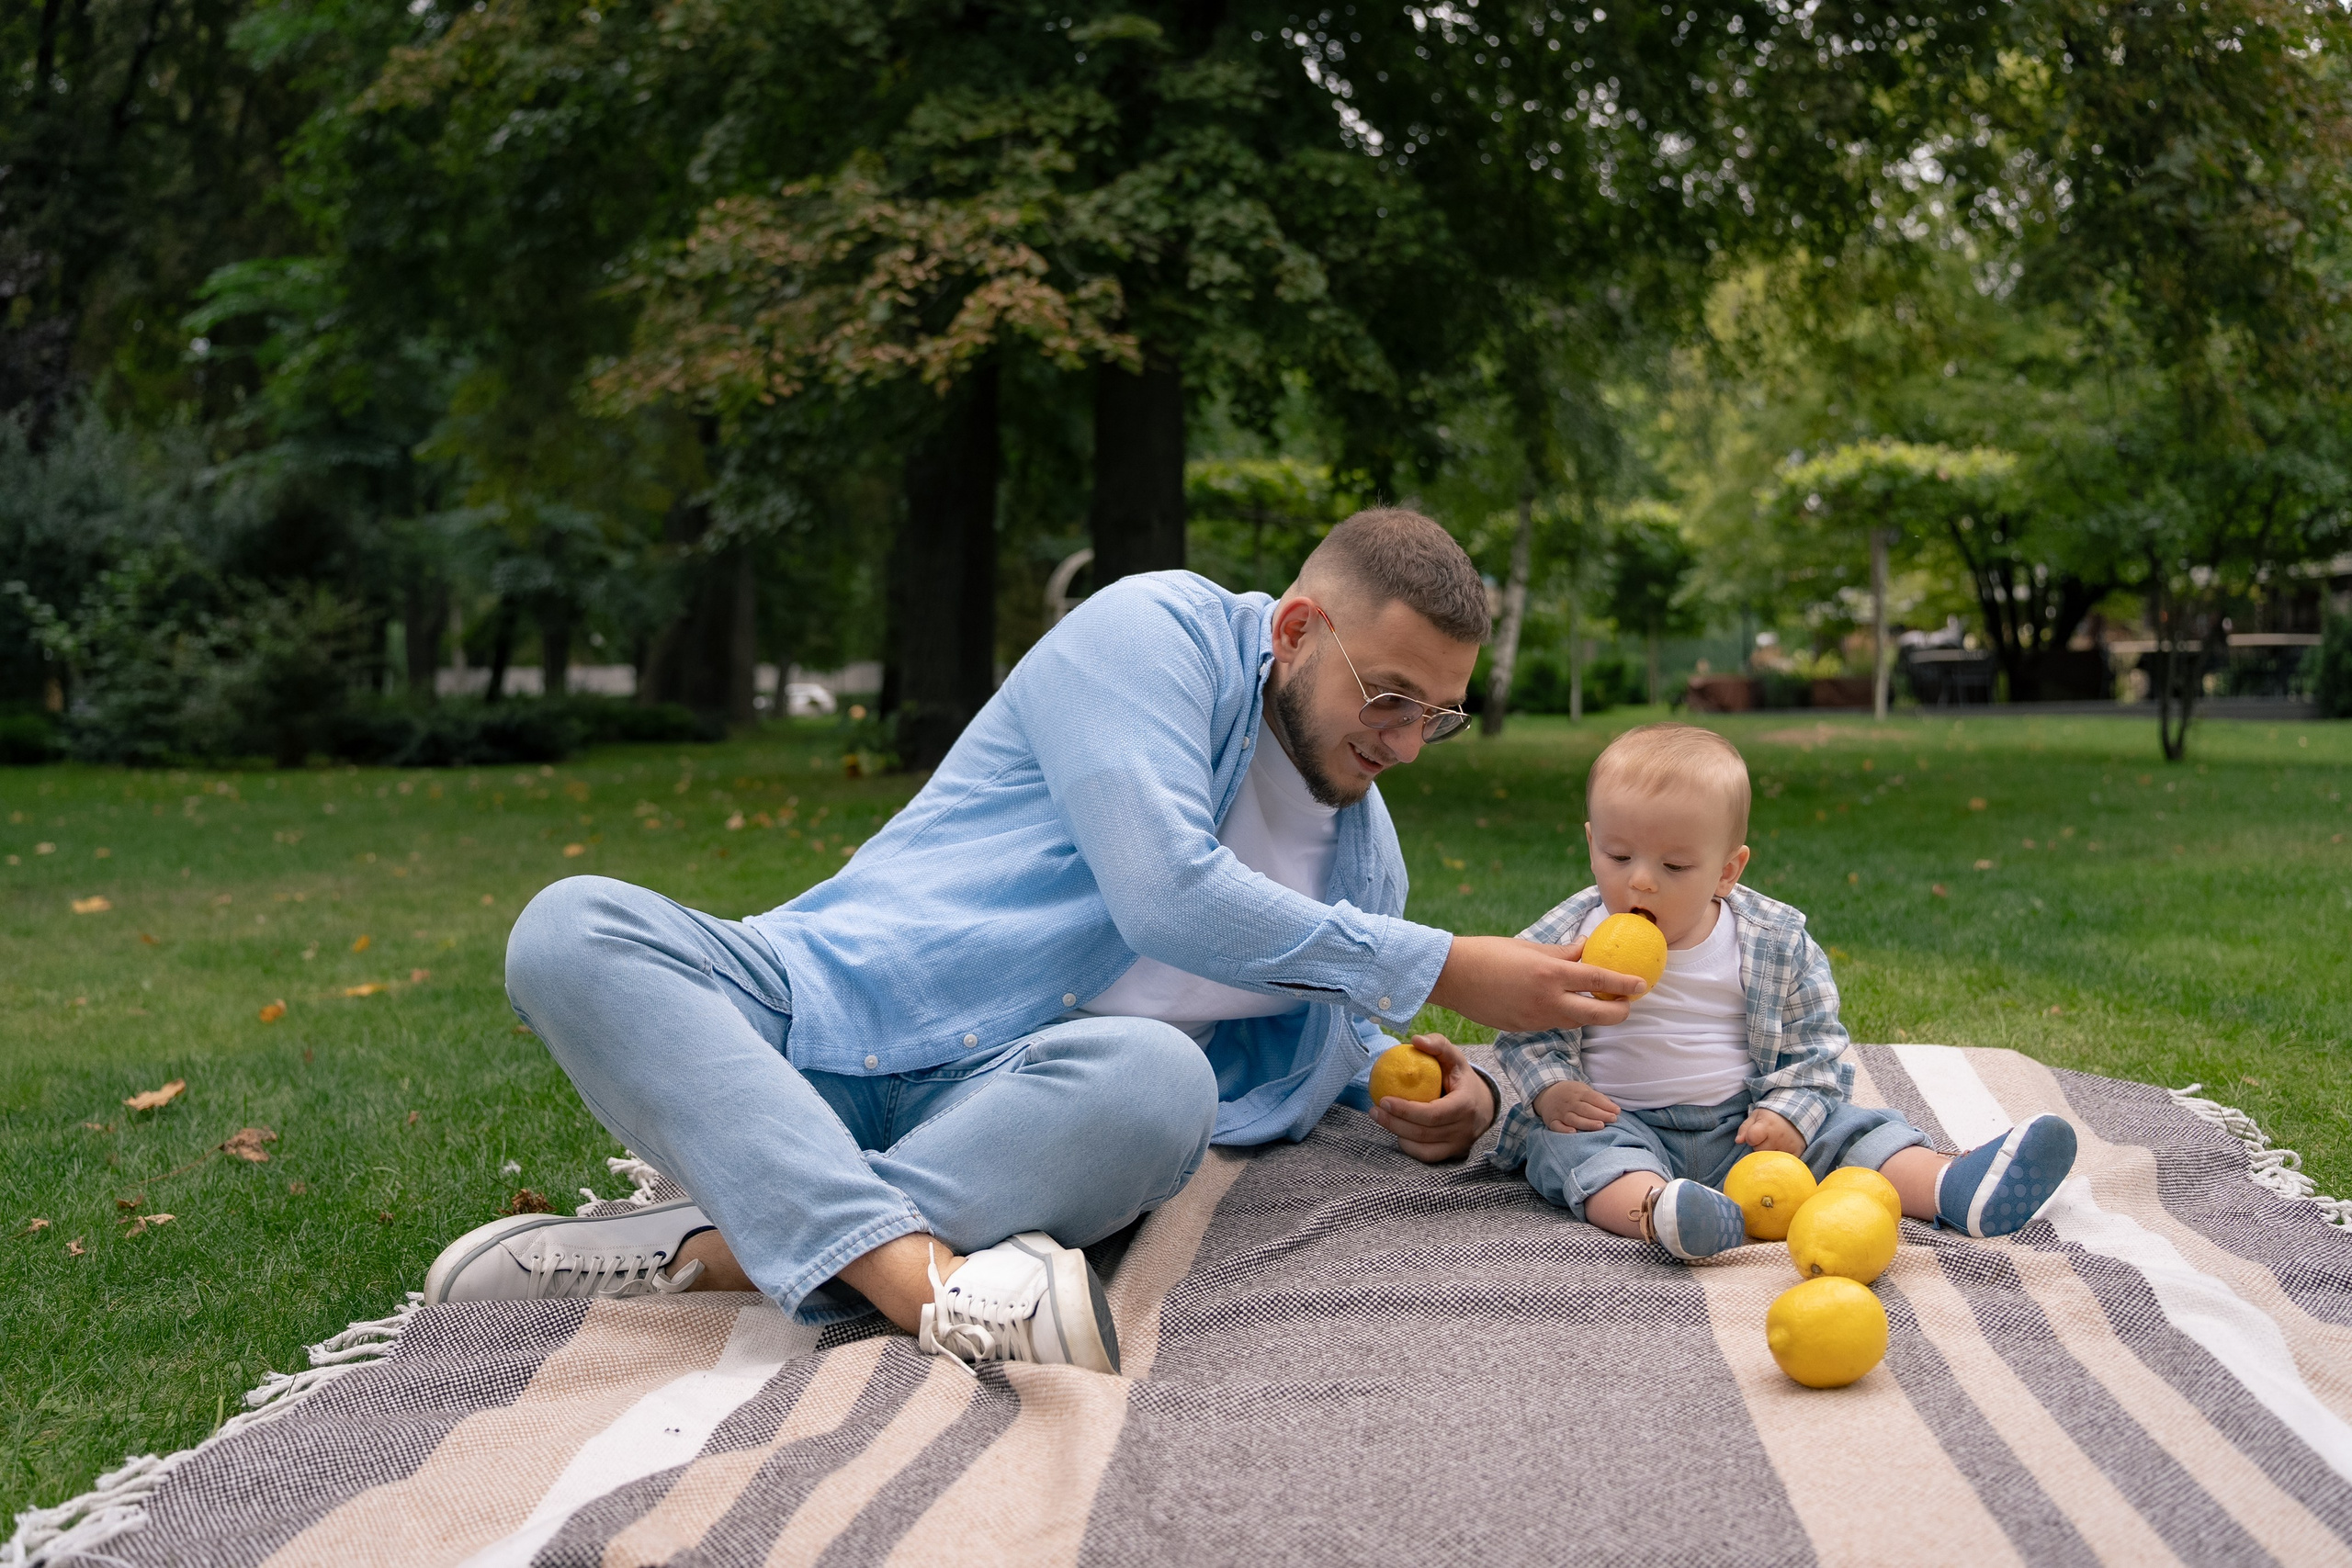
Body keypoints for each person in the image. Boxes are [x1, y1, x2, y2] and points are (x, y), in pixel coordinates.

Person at [421, 509, 1654, 1374]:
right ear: (1294, 630)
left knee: (1158, 1079)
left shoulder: (1366, 859)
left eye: (1436, 716)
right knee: (571, 925)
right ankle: (922, 1282)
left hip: (1005, 1112)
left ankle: (722, 1244)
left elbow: (1333, 1051)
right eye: (1386, 694)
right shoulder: (1153, 631)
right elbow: (1166, 896)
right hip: (823, 1009)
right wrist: (1444, 958)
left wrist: (1457, 1088)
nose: (1399, 739)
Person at [1483, 723, 2077, 1258]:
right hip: (1619, 1121)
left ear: (1727, 869)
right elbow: (1524, 1020)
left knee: (1846, 1127)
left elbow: (1814, 1043)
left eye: (1675, 866)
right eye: (1617, 854)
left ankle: (1952, 1185)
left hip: (1748, 1125)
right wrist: (1554, 1088)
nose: (1640, 878)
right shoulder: (1564, 937)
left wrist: (1788, 1112)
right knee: (1566, 1150)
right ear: (1592, 842)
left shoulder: (1771, 939)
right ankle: (1661, 1212)